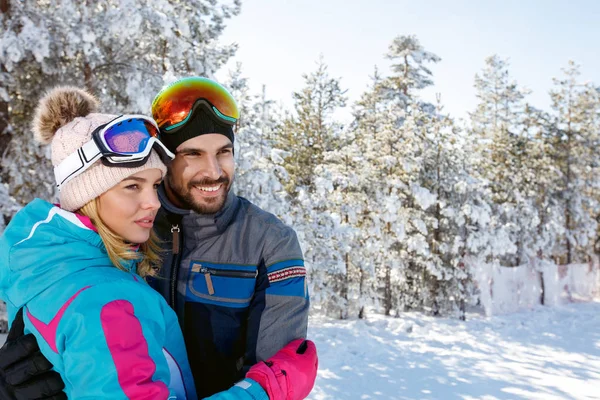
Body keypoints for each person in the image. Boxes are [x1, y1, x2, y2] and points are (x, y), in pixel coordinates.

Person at [0, 79, 316, 399]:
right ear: (168, 159)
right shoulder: (127, 231)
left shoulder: (267, 241)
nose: (213, 170)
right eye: (192, 153)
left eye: (224, 152)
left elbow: (281, 369)